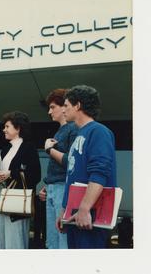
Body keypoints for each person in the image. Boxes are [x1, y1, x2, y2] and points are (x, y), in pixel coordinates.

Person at [56, 85, 117, 249]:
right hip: (74, 216)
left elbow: (100, 172)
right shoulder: (79, 135)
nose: (63, 110)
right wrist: (64, 210)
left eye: (67, 105)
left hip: (90, 216)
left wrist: (84, 208)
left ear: (78, 106)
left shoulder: (99, 131)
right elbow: (72, 177)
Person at [0, 111, 41, 249]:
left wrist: (11, 173)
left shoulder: (29, 148)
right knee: (0, 237)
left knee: (15, 238)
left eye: (7, 126)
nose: (3, 130)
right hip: (1, 196)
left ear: (18, 128)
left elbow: (35, 175)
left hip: (17, 198)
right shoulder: (5, 150)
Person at [39, 89, 78, 249]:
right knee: (52, 241)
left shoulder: (73, 128)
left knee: (62, 240)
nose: (49, 111)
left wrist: (49, 150)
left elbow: (73, 162)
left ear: (64, 107)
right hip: (54, 188)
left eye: (52, 107)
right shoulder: (60, 131)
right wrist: (47, 185)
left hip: (63, 189)